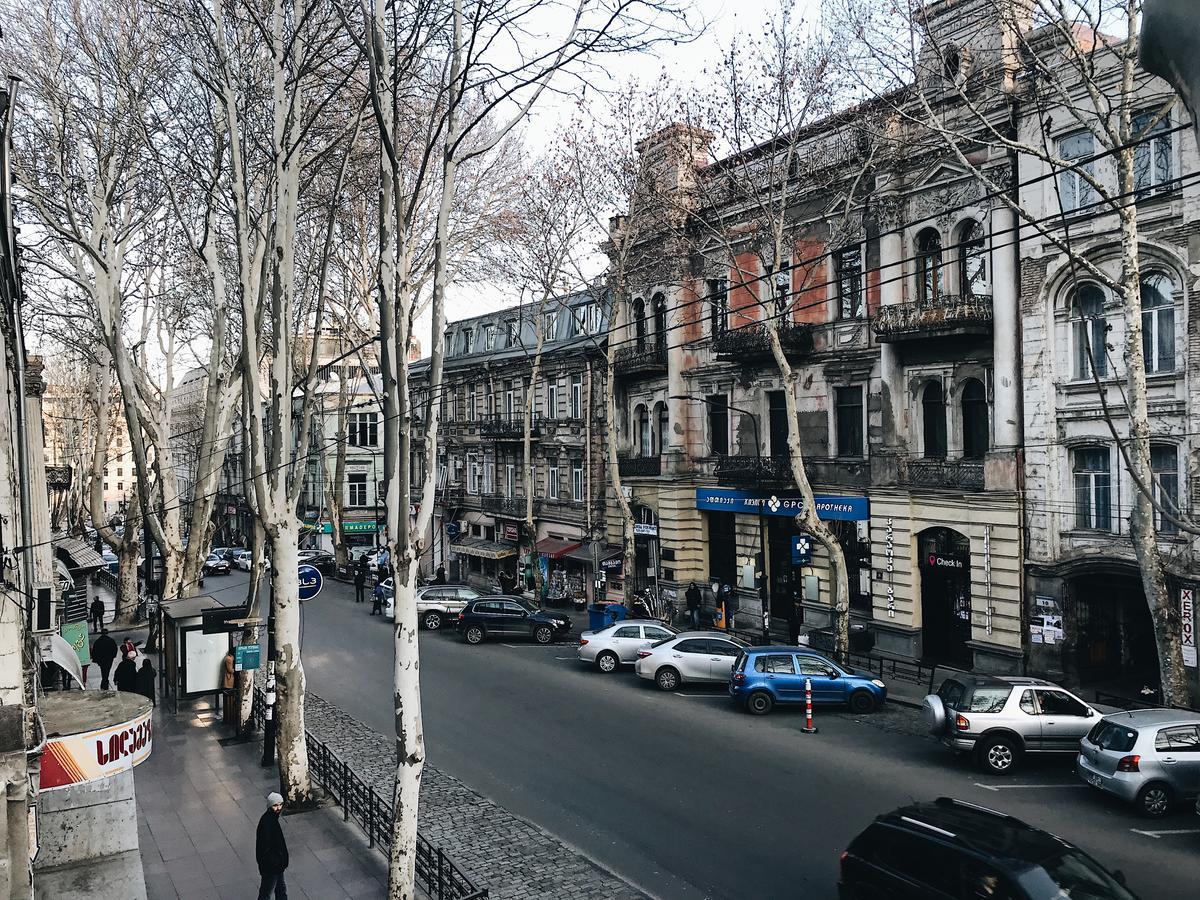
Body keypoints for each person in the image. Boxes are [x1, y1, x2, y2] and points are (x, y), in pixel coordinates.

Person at [256, 792, 289, 900]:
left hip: (276, 866)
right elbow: (265, 848)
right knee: (267, 893)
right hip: (272, 867)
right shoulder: (267, 823)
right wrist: (277, 861)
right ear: (270, 806)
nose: (278, 808)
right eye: (275, 805)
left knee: (280, 890)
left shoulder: (271, 819)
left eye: (280, 804)